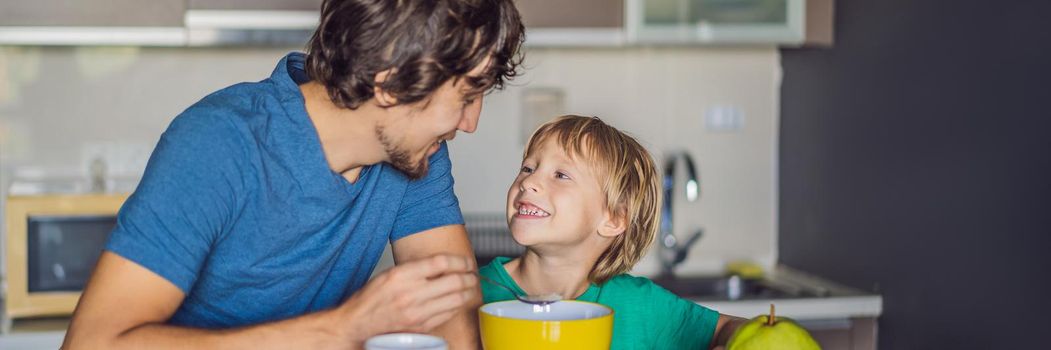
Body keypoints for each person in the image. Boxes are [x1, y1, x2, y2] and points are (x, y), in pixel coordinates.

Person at [62, 0, 524, 349]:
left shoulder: (415, 151)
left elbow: (450, 310)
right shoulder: (220, 143)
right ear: (390, 84)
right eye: (465, 97)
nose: (470, 123)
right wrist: (344, 328)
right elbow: (92, 343)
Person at [480, 115, 748, 349]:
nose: (529, 182)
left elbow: (731, 329)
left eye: (561, 175)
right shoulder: (473, 290)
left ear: (614, 219)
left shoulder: (641, 304)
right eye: (528, 168)